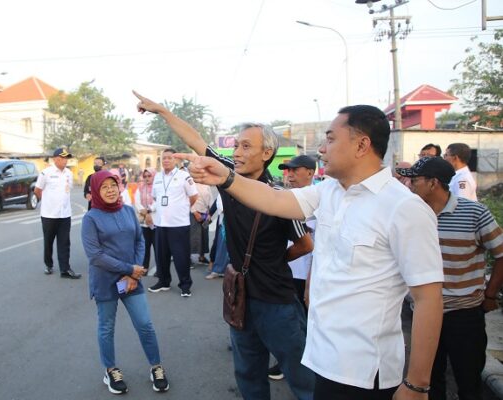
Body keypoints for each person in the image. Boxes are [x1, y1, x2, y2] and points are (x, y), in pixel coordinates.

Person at [174, 104, 445, 400]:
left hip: (365, 374)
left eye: (330, 139)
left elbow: (428, 297)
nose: (321, 148)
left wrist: (417, 384)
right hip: (323, 359)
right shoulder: (329, 192)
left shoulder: (404, 208)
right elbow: (272, 200)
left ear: (361, 144)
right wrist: (225, 177)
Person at [135, 91, 315, 399]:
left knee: (302, 379)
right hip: (240, 298)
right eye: (236, 145)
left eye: (247, 146)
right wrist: (161, 111)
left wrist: (272, 260)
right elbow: (196, 140)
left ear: (267, 153)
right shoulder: (228, 176)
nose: (238, 152)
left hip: (277, 303)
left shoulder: (280, 196)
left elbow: (305, 243)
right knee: (248, 375)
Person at [397, 156, 503, 400]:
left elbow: (501, 253)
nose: (409, 184)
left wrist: (490, 295)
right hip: (423, 314)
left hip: (464, 315)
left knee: (468, 381)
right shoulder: (411, 214)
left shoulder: (474, 213)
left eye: (415, 180)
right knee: (428, 382)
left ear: (433, 183)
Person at [81, 170, 170, 395]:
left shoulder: (129, 211)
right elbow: (95, 255)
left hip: (130, 282)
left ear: (120, 186)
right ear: (96, 191)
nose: (110, 190)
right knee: (106, 328)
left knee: (145, 324)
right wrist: (129, 269)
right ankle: (111, 370)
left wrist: (133, 275)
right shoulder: (90, 218)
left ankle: (156, 367)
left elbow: (139, 242)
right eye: (104, 187)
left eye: (114, 185)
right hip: (106, 282)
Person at [147, 148, 198, 298]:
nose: (166, 160)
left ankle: (185, 285)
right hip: (161, 224)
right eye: (164, 158)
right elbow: (156, 198)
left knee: (181, 256)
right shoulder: (157, 177)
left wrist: (181, 208)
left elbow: (193, 196)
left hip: (179, 224)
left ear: (176, 160)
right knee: (161, 256)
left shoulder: (184, 176)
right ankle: (163, 282)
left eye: (169, 158)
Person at [278, 154, 318, 312]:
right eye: (288, 170)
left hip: (304, 274)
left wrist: (310, 281)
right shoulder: (283, 198)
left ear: (309, 173)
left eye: (295, 170)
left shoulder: (319, 201)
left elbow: (316, 247)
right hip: (284, 272)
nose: (290, 175)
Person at [34, 148, 81, 279]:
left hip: (65, 214)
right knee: (48, 241)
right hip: (49, 215)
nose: (65, 161)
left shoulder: (69, 174)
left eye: (67, 158)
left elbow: (67, 190)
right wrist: (48, 202)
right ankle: (48, 264)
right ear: (55, 159)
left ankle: (65, 269)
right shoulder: (46, 173)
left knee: (65, 242)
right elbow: (37, 190)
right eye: (63, 158)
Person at [134, 168, 157, 272]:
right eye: (145, 176)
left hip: (156, 221)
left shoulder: (158, 187)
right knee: (145, 246)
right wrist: (144, 212)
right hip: (144, 223)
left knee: (158, 247)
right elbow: (136, 201)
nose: (147, 178)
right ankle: (145, 267)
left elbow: (159, 201)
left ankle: (160, 269)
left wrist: (149, 210)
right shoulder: (140, 188)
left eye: (149, 176)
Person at [190, 182, 212, 264]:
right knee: (193, 236)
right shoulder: (191, 184)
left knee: (204, 235)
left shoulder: (207, 185)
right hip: (193, 213)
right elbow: (188, 199)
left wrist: (210, 213)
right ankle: (189, 259)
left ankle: (202, 257)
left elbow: (211, 199)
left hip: (205, 213)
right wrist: (195, 212)